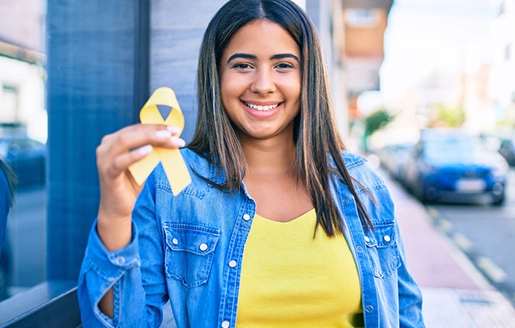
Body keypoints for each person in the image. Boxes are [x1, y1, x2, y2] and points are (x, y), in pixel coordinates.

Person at [78, 0, 425, 326]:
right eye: (243, 65)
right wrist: (114, 214)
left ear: (309, 77)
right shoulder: (173, 183)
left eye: (284, 65)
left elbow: (405, 312)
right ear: (216, 75)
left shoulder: (362, 184)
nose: (262, 85)